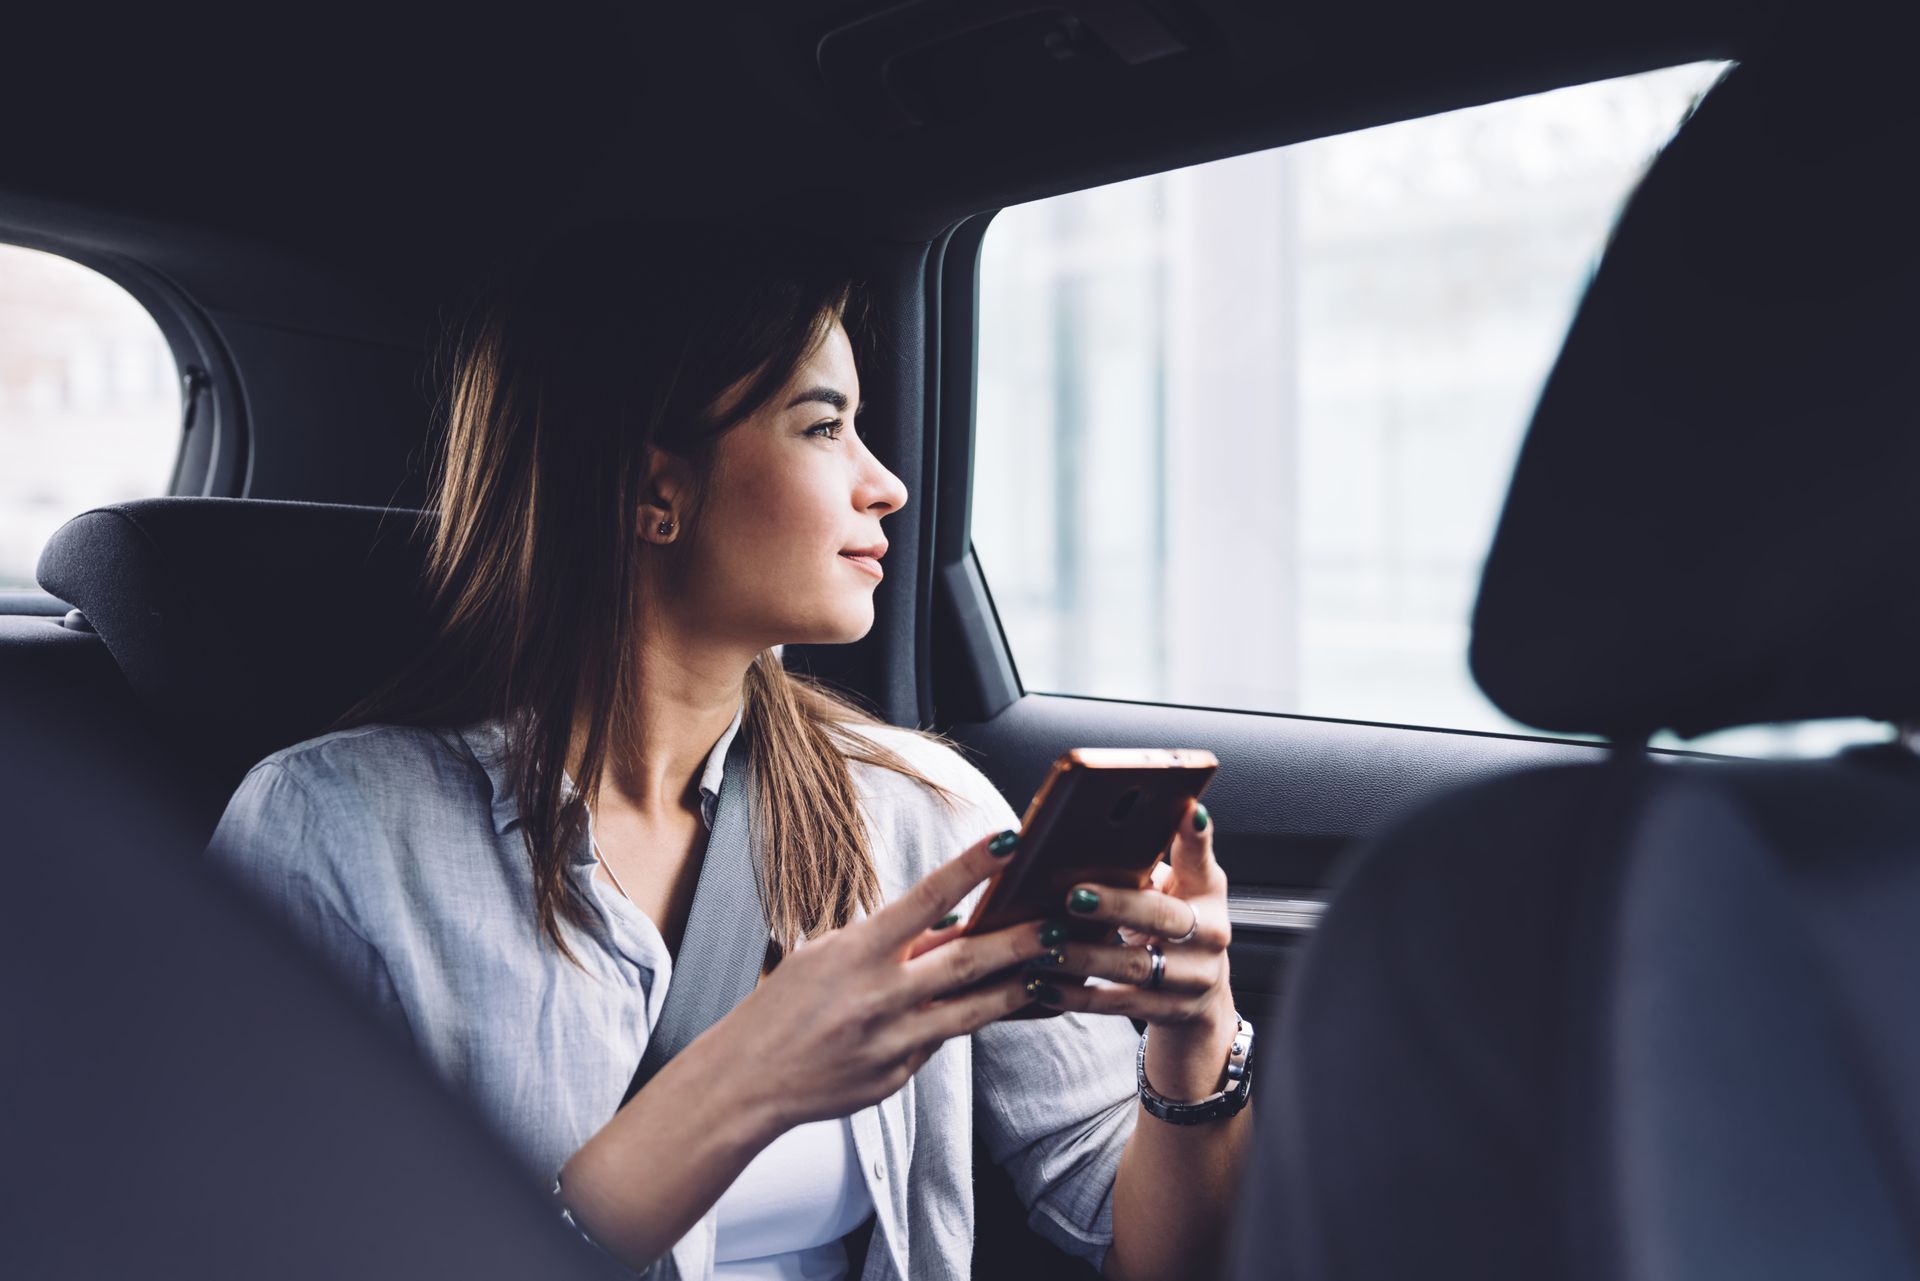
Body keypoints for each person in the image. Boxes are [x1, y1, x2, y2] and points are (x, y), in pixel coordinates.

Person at [204, 222, 1252, 1281]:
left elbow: (1143, 1250)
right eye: (822, 427)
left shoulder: (920, 811)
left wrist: (1193, 1039)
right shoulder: (332, 831)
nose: (884, 482)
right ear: (652, 491)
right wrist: (743, 1080)